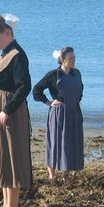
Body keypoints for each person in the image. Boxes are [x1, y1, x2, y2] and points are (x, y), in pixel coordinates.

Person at [0, 14, 32, 207]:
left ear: (8, 32)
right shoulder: (4, 54)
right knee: (1, 154)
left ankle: (12, 206)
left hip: (9, 112)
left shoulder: (17, 55)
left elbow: (24, 86)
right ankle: (5, 203)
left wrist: (6, 109)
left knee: (12, 154)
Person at [33, 47, 84, 181]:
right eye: (70, 58)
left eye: (74, 58)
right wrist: (49, 102)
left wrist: (76, 101)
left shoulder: (77, 73)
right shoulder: (53, 75)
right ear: (62, 60)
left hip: (74, 111)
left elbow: (80, 90)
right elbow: (36, 90)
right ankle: (52, 174)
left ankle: (67, 173)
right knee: (56, 142)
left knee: (71, 141)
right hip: (59, 113)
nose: (74, 60)